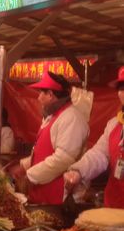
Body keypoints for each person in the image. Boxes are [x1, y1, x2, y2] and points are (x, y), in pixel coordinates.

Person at [9, 71, 89, 204]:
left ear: (51, 95)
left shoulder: (71, 118)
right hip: (43, 192)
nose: (39, 98)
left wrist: (30, 175)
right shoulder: (52, 116)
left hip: (61, 196)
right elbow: (44, 151)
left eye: (41, 93)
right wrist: (24, 166)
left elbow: (63, 159)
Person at [64, 66, 124, 208]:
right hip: (114, 206)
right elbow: (99, 154)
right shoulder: (114, 124)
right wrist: (78, 171)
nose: (123, 93)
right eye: (121, 88)